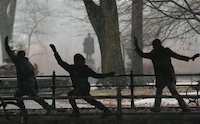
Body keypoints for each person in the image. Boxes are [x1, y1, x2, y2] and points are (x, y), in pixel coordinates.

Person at [134, 37, 199, 112]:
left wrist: (136, 46)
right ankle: (184, 107)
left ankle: (157, 107)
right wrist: (190, 58)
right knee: (174, 92)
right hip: (168, 75)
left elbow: (142, 54)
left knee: (159, 93)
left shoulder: (154, 54)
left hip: (161, 76)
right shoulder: (165, 51)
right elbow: (177, 56)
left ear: (155, 46)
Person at [50, 44, 115, 117]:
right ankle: (106, 110)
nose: (83, 62)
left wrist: (55, 51)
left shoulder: (74, 68)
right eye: (82, 61)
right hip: (83, 88)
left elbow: (61, 62)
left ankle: (76, 111)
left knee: (75, 96)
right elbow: (97, 75)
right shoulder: (81, 68)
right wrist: (108, 74)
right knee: (90, 101)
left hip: (81, 88)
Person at [5, 36, 53, 114]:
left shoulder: (19, 62)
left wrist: (6, 45)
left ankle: (26, 110)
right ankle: (45, 107)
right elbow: (32, 75)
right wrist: (35, 85)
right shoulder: (27, 63)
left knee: (24, 95)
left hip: (25, 84)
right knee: (31, 96)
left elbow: (10, 53)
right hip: (29, 83)